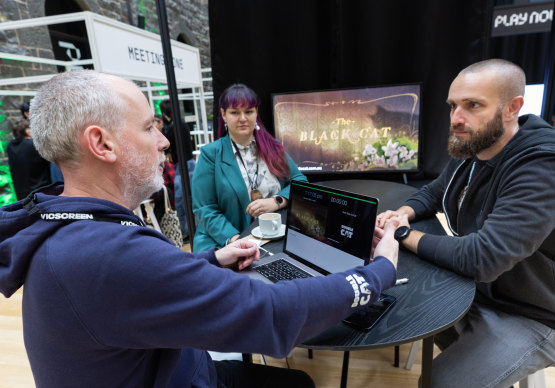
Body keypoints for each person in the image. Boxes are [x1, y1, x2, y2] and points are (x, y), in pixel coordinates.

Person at [0, 70, 400, 388]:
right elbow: (274, 315)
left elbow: (145, 285)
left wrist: (212, 259)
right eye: (148, 128)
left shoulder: (69, 226)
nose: (163, 142)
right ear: (102, 144)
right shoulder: (107, 254)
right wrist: (380, 270)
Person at [376, 59, 555, 388]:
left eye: (473, 105)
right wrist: (404, 213)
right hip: (485, 291)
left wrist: (401, 234)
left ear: (512, 108)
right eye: (453, 106)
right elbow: (433, 192)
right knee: (396, 308)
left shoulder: (545, 167)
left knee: (440, 381)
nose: (457, 118)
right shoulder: (478, 146)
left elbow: (482, 258)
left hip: (539, 314)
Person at [191, 83, 307, 252]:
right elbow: (205, 208)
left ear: (256, 112)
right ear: (223, 114)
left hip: (273, 237)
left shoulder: (274, 148)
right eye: (235, 112)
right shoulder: (211, 154)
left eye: (248, 111)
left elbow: (300, 181)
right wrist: (237, 240)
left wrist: (276, 201)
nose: (243, 118)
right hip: (225, 241)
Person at [160, 99, 196, 241]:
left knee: (182, 200)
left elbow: (168, 146)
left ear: (164, 113)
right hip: (188, 163)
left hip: (183, 165)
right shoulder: (181, 124)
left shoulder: (172, 127)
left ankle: (186, 231)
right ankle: (189, 229)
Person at [6, 119, 51, 200]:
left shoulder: (10, 146)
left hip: (21, 196)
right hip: (40, 193)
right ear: (28, 131)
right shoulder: (33, 145)